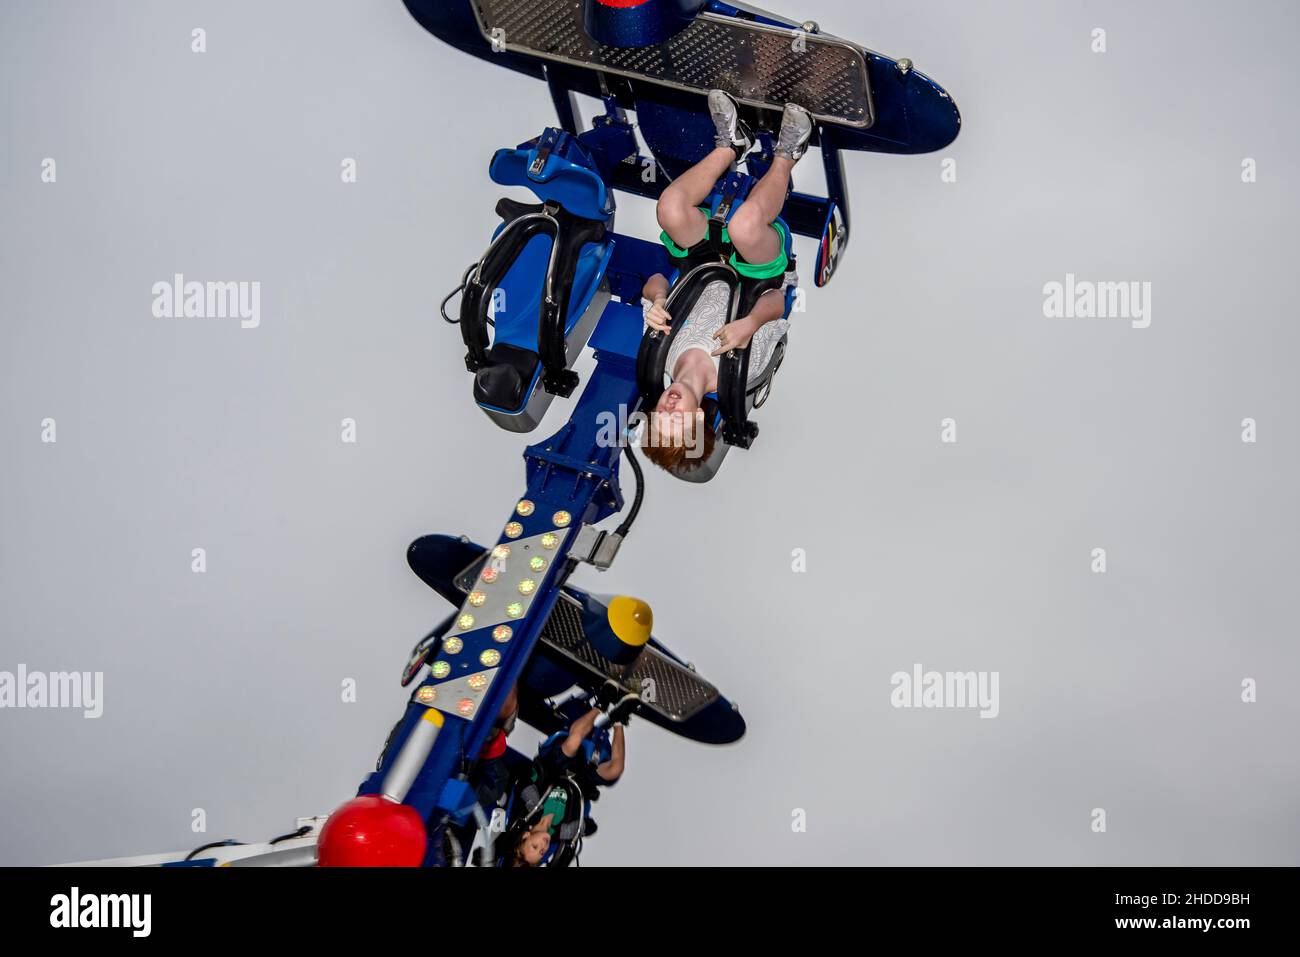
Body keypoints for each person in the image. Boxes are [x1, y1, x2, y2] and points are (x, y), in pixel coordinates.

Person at [640, 90, 812, 475]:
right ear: (698, 420)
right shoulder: (739, 374)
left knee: (668, 209)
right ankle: (787, 153)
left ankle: (731, 145)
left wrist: (657, 299)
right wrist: (749, 325)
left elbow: (653, 280)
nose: (668, 408)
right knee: (744, 225)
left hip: (704, 261)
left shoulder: (660, 355)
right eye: (677, 421)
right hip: (759, 272)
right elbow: (776, 304)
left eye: (659, 417)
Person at [508, 700, 633, 867]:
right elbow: (589, 827)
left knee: (573, 742)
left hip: (556, 764)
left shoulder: (529, 810)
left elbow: (523, 779)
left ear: (525, 836)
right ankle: (619, 719)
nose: (543, 846)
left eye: (535, 846)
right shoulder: (562, 831)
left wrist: (529, 791)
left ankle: (601, 704)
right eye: (542, 852)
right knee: (615, 769)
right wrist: (580, 829)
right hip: (579, 778)